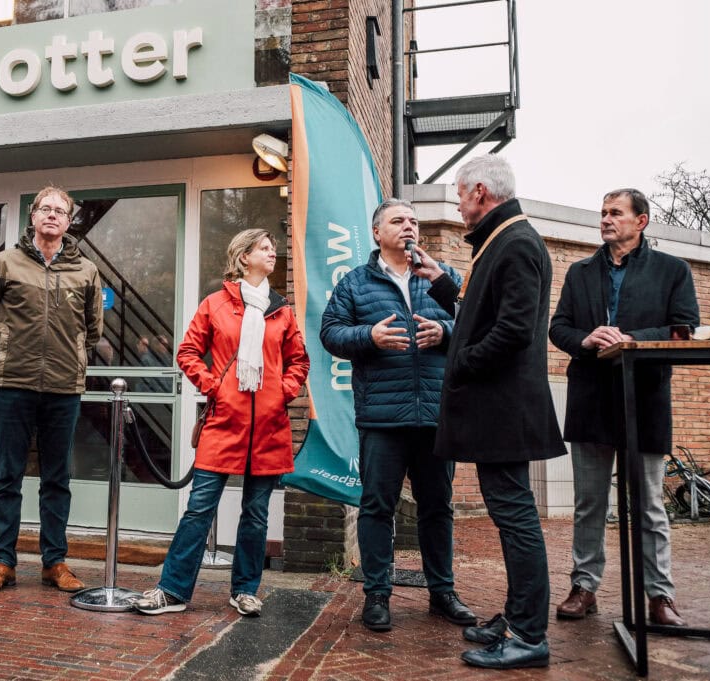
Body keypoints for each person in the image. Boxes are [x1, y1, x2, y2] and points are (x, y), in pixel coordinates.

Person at [409, 155, 565, 669]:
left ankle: (528, 634)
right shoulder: (504, 240)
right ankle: (518, 615)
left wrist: (461, 362)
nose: (457, 201)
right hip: (501, 409)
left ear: (480, 191)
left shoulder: (517, 243)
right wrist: (440, 279)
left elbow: (514, 330)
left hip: (504, 410)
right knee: (509, 516)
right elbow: (482, 305)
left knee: (516, 518)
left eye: (459, 192)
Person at [132, 229, 309, 617]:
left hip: (269, 428)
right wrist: (214, 385)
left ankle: (245, 589)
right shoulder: (215, 304)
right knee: (199, 509)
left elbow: (300, 361)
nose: (272, 253)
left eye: (273, 248)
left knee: (257, 513)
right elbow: (188, 352)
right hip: (223, 423)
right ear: (243, 256)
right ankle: (172, 590)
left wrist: (282, 392)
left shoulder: (282, 311)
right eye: (264, 248)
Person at [320, 199, 476, 633]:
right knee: (377, 507)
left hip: (434, 414)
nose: (408, 226)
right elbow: (330, 331)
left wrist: (445, 331)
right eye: (398, 220)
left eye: (413, 220)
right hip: (382, 417)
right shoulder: (355, 282)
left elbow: (473, 324)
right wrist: (367, 336)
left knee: (437, 508)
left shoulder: (442, 277)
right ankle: (377, 595)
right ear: (377, 233)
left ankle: (442, 592)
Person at [549, 188, 699, 626]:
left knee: (650, 504)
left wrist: (629, 339)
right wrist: (587, 339)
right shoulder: (579, 272)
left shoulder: (673, 270)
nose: (606, 219)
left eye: (615, 213)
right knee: (588, 502)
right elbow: (559, 328)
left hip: (645, 399)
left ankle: (659, 596)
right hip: (591, 399)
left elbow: (682, 330)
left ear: (642, 221)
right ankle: (584, 587)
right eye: (602, 212)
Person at [0, 185, 103, 594]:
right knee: (7, 475)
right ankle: (3, 562)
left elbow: (93, 327)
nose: (52, 216)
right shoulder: (4, 263)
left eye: (59, 211)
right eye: (45, 209)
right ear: (32, 217)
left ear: (69, 221)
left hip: (64, 386)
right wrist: (6, 351)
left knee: (57, 478)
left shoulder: (85, 271)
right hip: (12, 383)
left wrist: (72, 355)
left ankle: (55, 562)